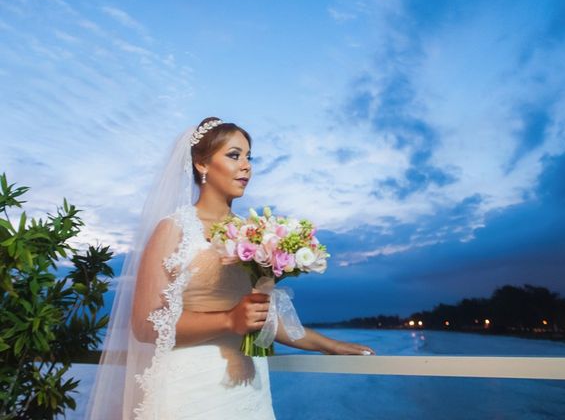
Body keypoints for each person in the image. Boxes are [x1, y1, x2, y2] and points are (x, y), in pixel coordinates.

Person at [85, 117, 375, 419]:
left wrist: (331, 345)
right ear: (202, 164)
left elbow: (265, 318)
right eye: (234, 155)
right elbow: (145, 325)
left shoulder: (256, 235)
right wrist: (228, 321)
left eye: (249, 157)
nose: (246, 166)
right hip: (189, 388)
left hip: (248, 387)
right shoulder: (173, 229)